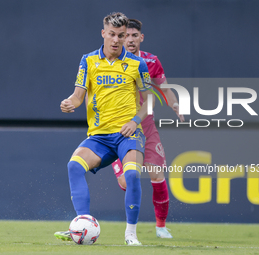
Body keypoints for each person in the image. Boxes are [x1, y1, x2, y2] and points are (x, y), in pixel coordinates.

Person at [56, 13, 153, 246]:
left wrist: (135, 122)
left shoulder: (137, 64)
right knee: (74, 166)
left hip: (127, 135)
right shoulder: (88, 61)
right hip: (99, 137)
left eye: (121, 35)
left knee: (131, 175)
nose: (116, 40)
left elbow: (149, 102)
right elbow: (78, 96)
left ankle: (131, 234)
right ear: (103, 33)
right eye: (112, 34)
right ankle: (82, 224)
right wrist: (69, 102)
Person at [111, 19, 184, 239]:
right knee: (126, 180)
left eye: (135, 36)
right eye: (126, 36)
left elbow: (165, 88)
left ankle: (161, 226)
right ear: (120, 37)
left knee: (156, 172)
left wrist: (175, 105)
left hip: (146, 125)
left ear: (141, 38)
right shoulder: (110, 61)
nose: (130, 40)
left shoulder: (151, 61)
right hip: (118, 127)